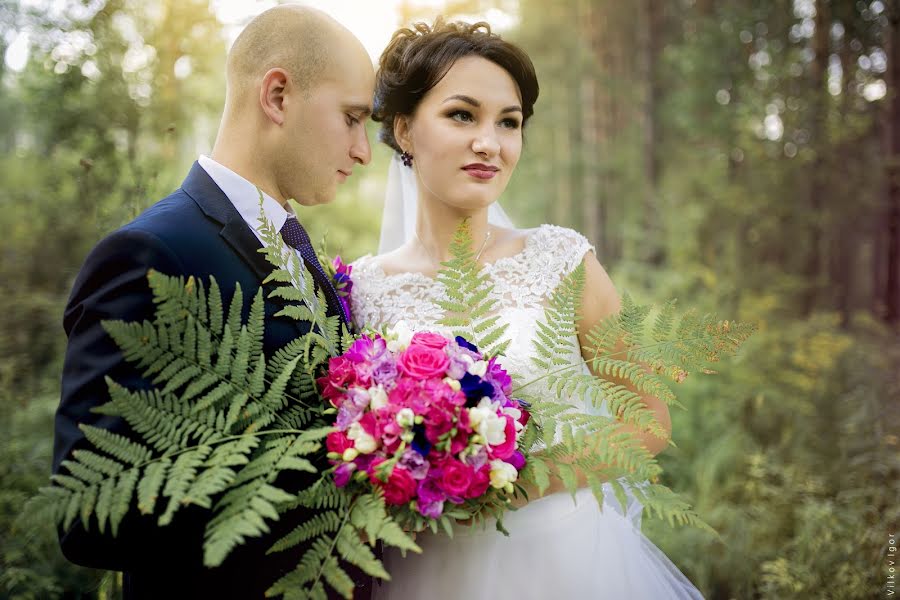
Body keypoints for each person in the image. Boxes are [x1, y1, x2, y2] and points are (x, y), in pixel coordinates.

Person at [349, 20, 704, 599]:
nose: (490, 142)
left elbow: (647, 421)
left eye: (508, 122)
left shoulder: (563, 260)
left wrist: (512, 485)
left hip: (565, 565)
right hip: (421, 571)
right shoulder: (360, 289)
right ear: (405, 130)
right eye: (462, 115)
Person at [53, 5, 375, 598]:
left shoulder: (297, 246)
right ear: (277, 96)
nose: (364, 151)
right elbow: (85, 514)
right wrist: (301, 468)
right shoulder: (150, 255)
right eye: (352, 118)